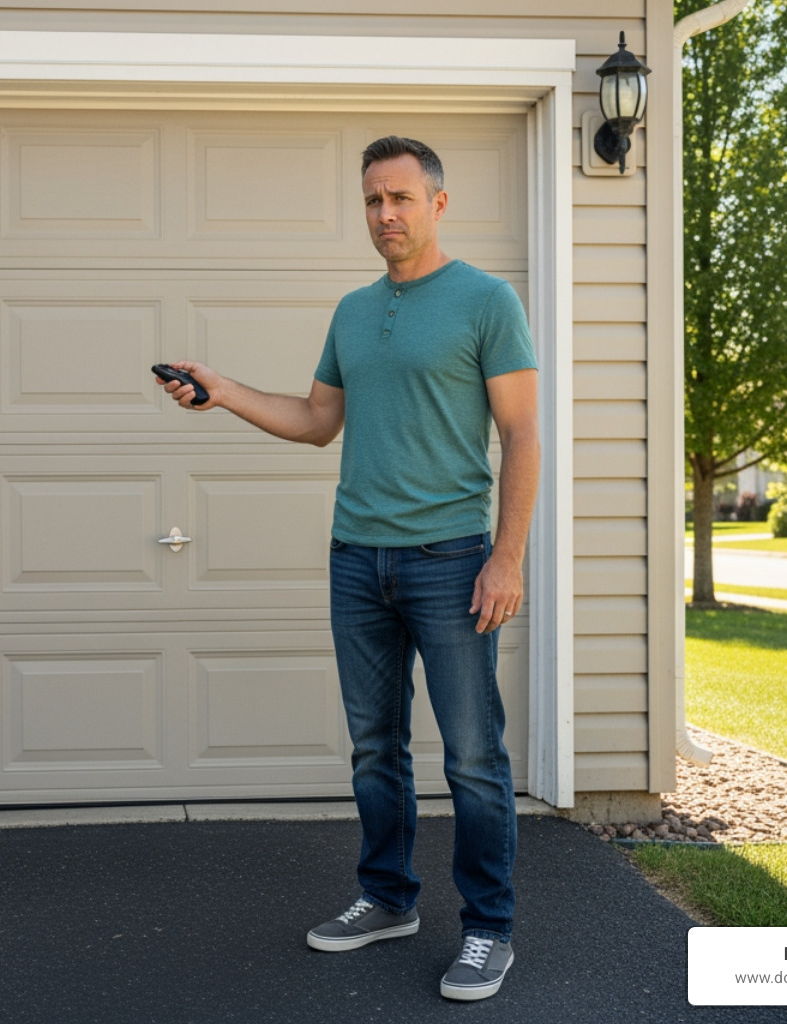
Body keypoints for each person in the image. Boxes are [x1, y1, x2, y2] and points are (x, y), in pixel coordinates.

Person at [156, 135, 539, 1002]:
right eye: (372, 200)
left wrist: (505, 557)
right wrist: (221, 391)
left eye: (400, 197)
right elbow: (315, 420)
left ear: (438, 203)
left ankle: (488, 930)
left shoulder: (486, 301)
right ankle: (388, 898)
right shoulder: (353, 311)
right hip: (356, 560)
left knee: (474, 755)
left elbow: (522, 435)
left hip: (451, 561)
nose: (385, 215)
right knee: (376, 748)